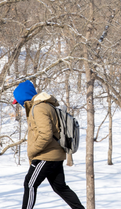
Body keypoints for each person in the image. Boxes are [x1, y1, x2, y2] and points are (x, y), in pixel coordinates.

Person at [13, 80, 85, 209]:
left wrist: (32, 152)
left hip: (45, 155)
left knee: (30, 184)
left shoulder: (39, 108)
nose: (19, 104)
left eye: (19, 101)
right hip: (54, 154)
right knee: (60, 188)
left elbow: (45, 135)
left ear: (23, 97)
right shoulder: (45, 106)